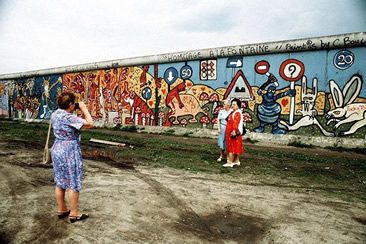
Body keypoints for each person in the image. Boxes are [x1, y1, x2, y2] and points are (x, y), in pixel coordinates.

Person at [51, 92, 93, 223]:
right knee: (73, 181)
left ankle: (62, 209)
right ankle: (74, 213)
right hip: (69, 151)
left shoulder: (55, 114)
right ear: (70, 104)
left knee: (60, 181)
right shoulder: (69, 118)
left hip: (57, 148)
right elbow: (90, 124)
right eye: (73, 103)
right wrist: (84, 109)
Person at [223, 98, 244, 167]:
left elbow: (236, 122)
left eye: (234, 104)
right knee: (235, 147)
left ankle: (230, 162)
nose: (232, 105)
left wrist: (234, 130)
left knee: (231, 147)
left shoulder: (237, 113)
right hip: (232, 132)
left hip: (233, 132)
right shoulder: (234, 112)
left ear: (238, 105)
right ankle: (236, 161)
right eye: (232, 104)